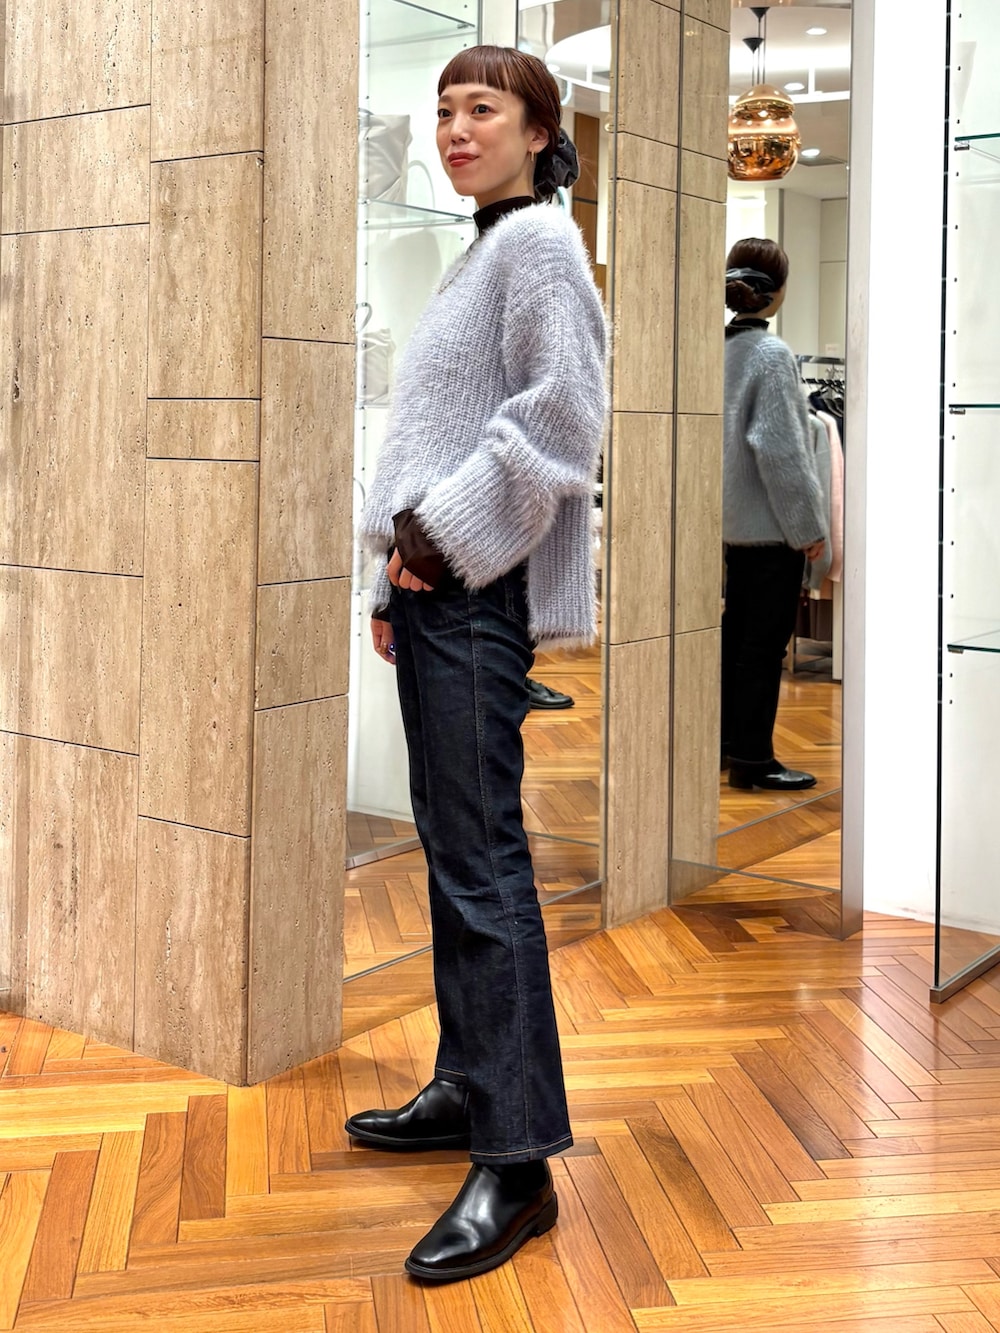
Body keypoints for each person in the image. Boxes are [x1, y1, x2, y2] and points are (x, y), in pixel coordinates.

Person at [349, 46, 607, 1282]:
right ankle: (468, 1083)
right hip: (440, 592)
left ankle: (517, 1161)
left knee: (484, 863)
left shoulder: (540, 244)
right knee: (457, 853)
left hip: (472, 589)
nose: (457, 129)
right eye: (445, 110)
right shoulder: (490, 246)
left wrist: (435, 546)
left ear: (538, 131)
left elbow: (561, 421)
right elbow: (443, 428)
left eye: (483, 110)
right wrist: (393, 578)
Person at [721, 238, 827, 792]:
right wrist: (809, 530)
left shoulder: (715, 349)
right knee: (762, 650)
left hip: (727, 528)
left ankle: (726, 745)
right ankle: (754, 760)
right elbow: (781, 450)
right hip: (769, 532)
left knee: (733, 642)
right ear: (778, 292)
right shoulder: (771, 354)